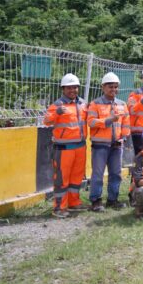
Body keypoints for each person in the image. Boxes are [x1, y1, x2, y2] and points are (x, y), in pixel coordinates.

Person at [44, 73, 89, 218]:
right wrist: (56, 113)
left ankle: (74, 202)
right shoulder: (57, 105)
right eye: (69, 88)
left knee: (76, 178)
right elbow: (46, 121)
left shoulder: (82, 104)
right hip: (64, 149)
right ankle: (59, 207)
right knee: (62, 179)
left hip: (80, 147)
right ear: (63, 89)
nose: (73, 90)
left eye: (75, 87)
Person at [87, 72, 131, 211]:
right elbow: (91, 122)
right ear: (103, 87)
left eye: (115, 87)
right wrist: (108, 120)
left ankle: (113, 200)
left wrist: (123, 137)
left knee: (116, 174)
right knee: (98, 174)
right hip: (100, 146)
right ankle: (96, 201)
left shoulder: (122, 105)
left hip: (116, 146)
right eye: (110, 86)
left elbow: (126, 125)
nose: (113, 89)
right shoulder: (95, 104)